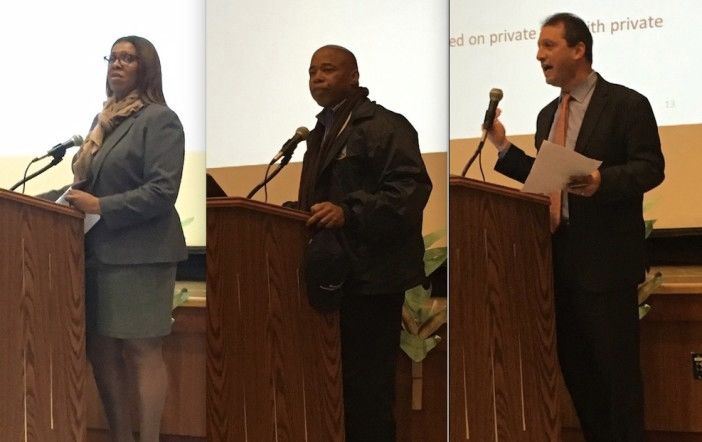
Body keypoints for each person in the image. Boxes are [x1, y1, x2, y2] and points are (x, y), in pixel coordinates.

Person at [486, 13, 664, 442]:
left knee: (616, 377)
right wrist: (502, 146)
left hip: (605, 265)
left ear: (578, 49)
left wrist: (603, 181)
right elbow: (550, 179)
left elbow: (651, 167)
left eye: (548, 45)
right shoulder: (548, 115)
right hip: (557, 263)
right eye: (538, 46)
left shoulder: (626, 104)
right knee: (578, 375)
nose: (539, 55)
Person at [42, 36, 187, 442]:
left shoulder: (160, 119)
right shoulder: (103, 121)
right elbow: (84, 185)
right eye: (114, 57)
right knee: (102, 351)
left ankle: (150, 438)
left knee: (142, 351)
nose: (117, 64)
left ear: (147, 68)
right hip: (97, 253)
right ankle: (122, 436)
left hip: (141, 256)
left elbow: (163, 191)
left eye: (129, 58)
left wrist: (102, 205)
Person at [297, 45, 432, 441]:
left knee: (369, 391)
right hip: (333, 277)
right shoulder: (320, 131)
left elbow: (410, 189)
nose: (317, 77)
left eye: (327, 69)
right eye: (311, 71)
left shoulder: (385, 125)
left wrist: (349, 211)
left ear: (353, 76)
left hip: (373, 278)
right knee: (338, 387)